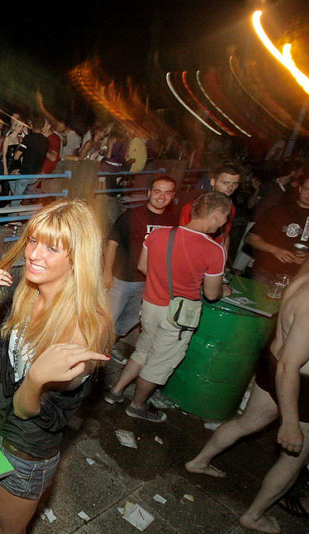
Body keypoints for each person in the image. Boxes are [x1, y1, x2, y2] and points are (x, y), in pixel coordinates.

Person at [0, 200, 112, 533]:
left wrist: (34, 381)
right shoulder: (29, 293)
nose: (33, 254)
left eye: (51, 248)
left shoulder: (84, 328)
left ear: (76, 258)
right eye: (33, 240)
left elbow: (27, 411)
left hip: (24, 451)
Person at [185, 262, 309, 533]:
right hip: (297, 382)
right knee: (294, 458)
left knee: (247, 422)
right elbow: (290, 366)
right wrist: (290, 423)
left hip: (274, 362)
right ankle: (254, 516)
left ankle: (199, 462)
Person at [106, 192, 232, 422]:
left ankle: (115, 391)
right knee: (159, 363)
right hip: (178, 314)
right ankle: (137, 406)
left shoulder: (158, 234)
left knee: (143, 350)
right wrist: (225, 290)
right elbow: (212, 294)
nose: (224, 222)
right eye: (225, 216)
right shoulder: (214, 250)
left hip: (150, 304)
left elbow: (143, 266)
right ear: (216, 214)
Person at [103, 176, 178, 363]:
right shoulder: (131, 216)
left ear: (173, 196)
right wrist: (106, 273)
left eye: (167, 193)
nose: (162, 196)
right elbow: (111, 244)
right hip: (121, 279)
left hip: (148, 283)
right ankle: (91, 359)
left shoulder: (172, 220)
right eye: (158, 191)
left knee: (127, 322)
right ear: (149, 193)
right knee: (106, 321)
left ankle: (108, 349)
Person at [246, 174, 309, 284]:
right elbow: (250, 238)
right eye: (307, 189)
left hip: (297, 278)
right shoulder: (280, 210)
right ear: (300, 189)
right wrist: (275, 250)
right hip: (266, 271)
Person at [179, 164, 242, 256]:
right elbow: (183, 238)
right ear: (213, 182)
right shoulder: (194, 206)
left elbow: (225, 234)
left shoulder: (231, 207)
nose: (230, 187)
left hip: (214, 256)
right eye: (225, 183)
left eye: (235, 184)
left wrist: (223, 257)